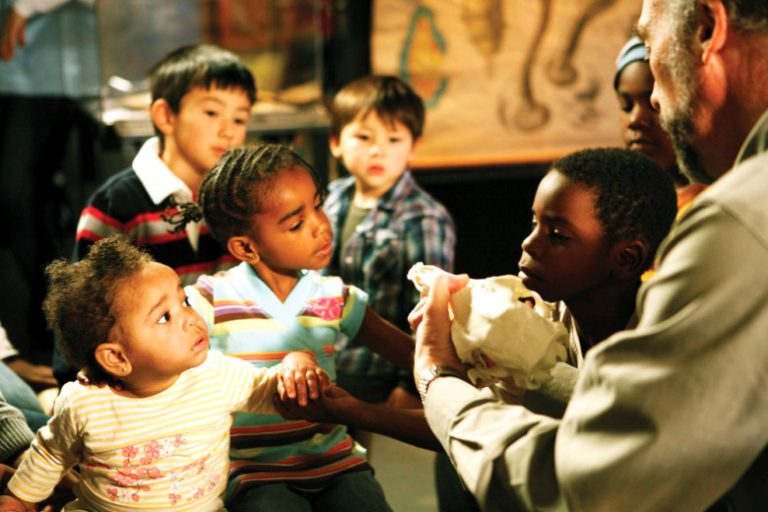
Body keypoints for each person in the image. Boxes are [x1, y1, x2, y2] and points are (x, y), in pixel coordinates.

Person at [411, 0, 768, 509]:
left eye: (650, 46)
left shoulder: (740, 225)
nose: (656, 108)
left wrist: (437, 377)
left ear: (707, 30)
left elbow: (592, 483)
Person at [0, 236, 325, 511]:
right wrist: (19, 499)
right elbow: (51, 453)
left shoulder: (215, 374)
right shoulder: (84, 403)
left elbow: (274, 392)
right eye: (164, 317)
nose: (189, 317)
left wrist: (296, 363)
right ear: (116, 357)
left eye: (184, 301)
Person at [175, 143, 414, 511]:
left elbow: (411, 355)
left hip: (335, 461)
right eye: (297, 223)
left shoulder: (332, 297)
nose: (321, 226)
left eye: (318, 205)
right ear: (246, 248)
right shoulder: (211, 299)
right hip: (252, 468)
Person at [52, 43, 257, 387]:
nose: (228, 130)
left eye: (239, 118)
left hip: (225, 370)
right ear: (165, 116)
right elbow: (83, 308)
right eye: (211, 113)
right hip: (146, 381)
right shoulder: (117, 203)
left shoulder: (239, 197)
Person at [324, 75, 456, 406]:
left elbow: (432, 309)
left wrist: (411, 386)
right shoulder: (331, 198)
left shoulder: (423, 218)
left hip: (379, 371)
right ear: (336, 143)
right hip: (324, 356)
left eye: (394, 139)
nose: (377, 150)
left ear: (414, 146)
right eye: (363, 137)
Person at [0, 0, 99, 370]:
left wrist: (26, 6)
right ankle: (50, 322)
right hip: (22, 71)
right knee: (30, 200)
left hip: (53, 68)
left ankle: (57, 325)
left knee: (20, 196)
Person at [614, 35, 707, 217]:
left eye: (654, 105)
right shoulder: (618, 205)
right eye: (626, 105)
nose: (635, 119)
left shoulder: (708, 205)